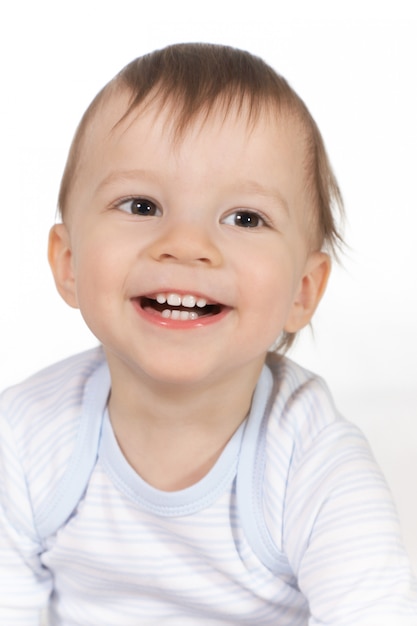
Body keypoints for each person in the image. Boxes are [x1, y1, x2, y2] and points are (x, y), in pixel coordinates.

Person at [0, 43, 416, 626]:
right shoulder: (24, 441)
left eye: (245, 218)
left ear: (302, 290)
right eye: (141, 205)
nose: (187, 244)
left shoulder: (312, 462)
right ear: (68, 262)